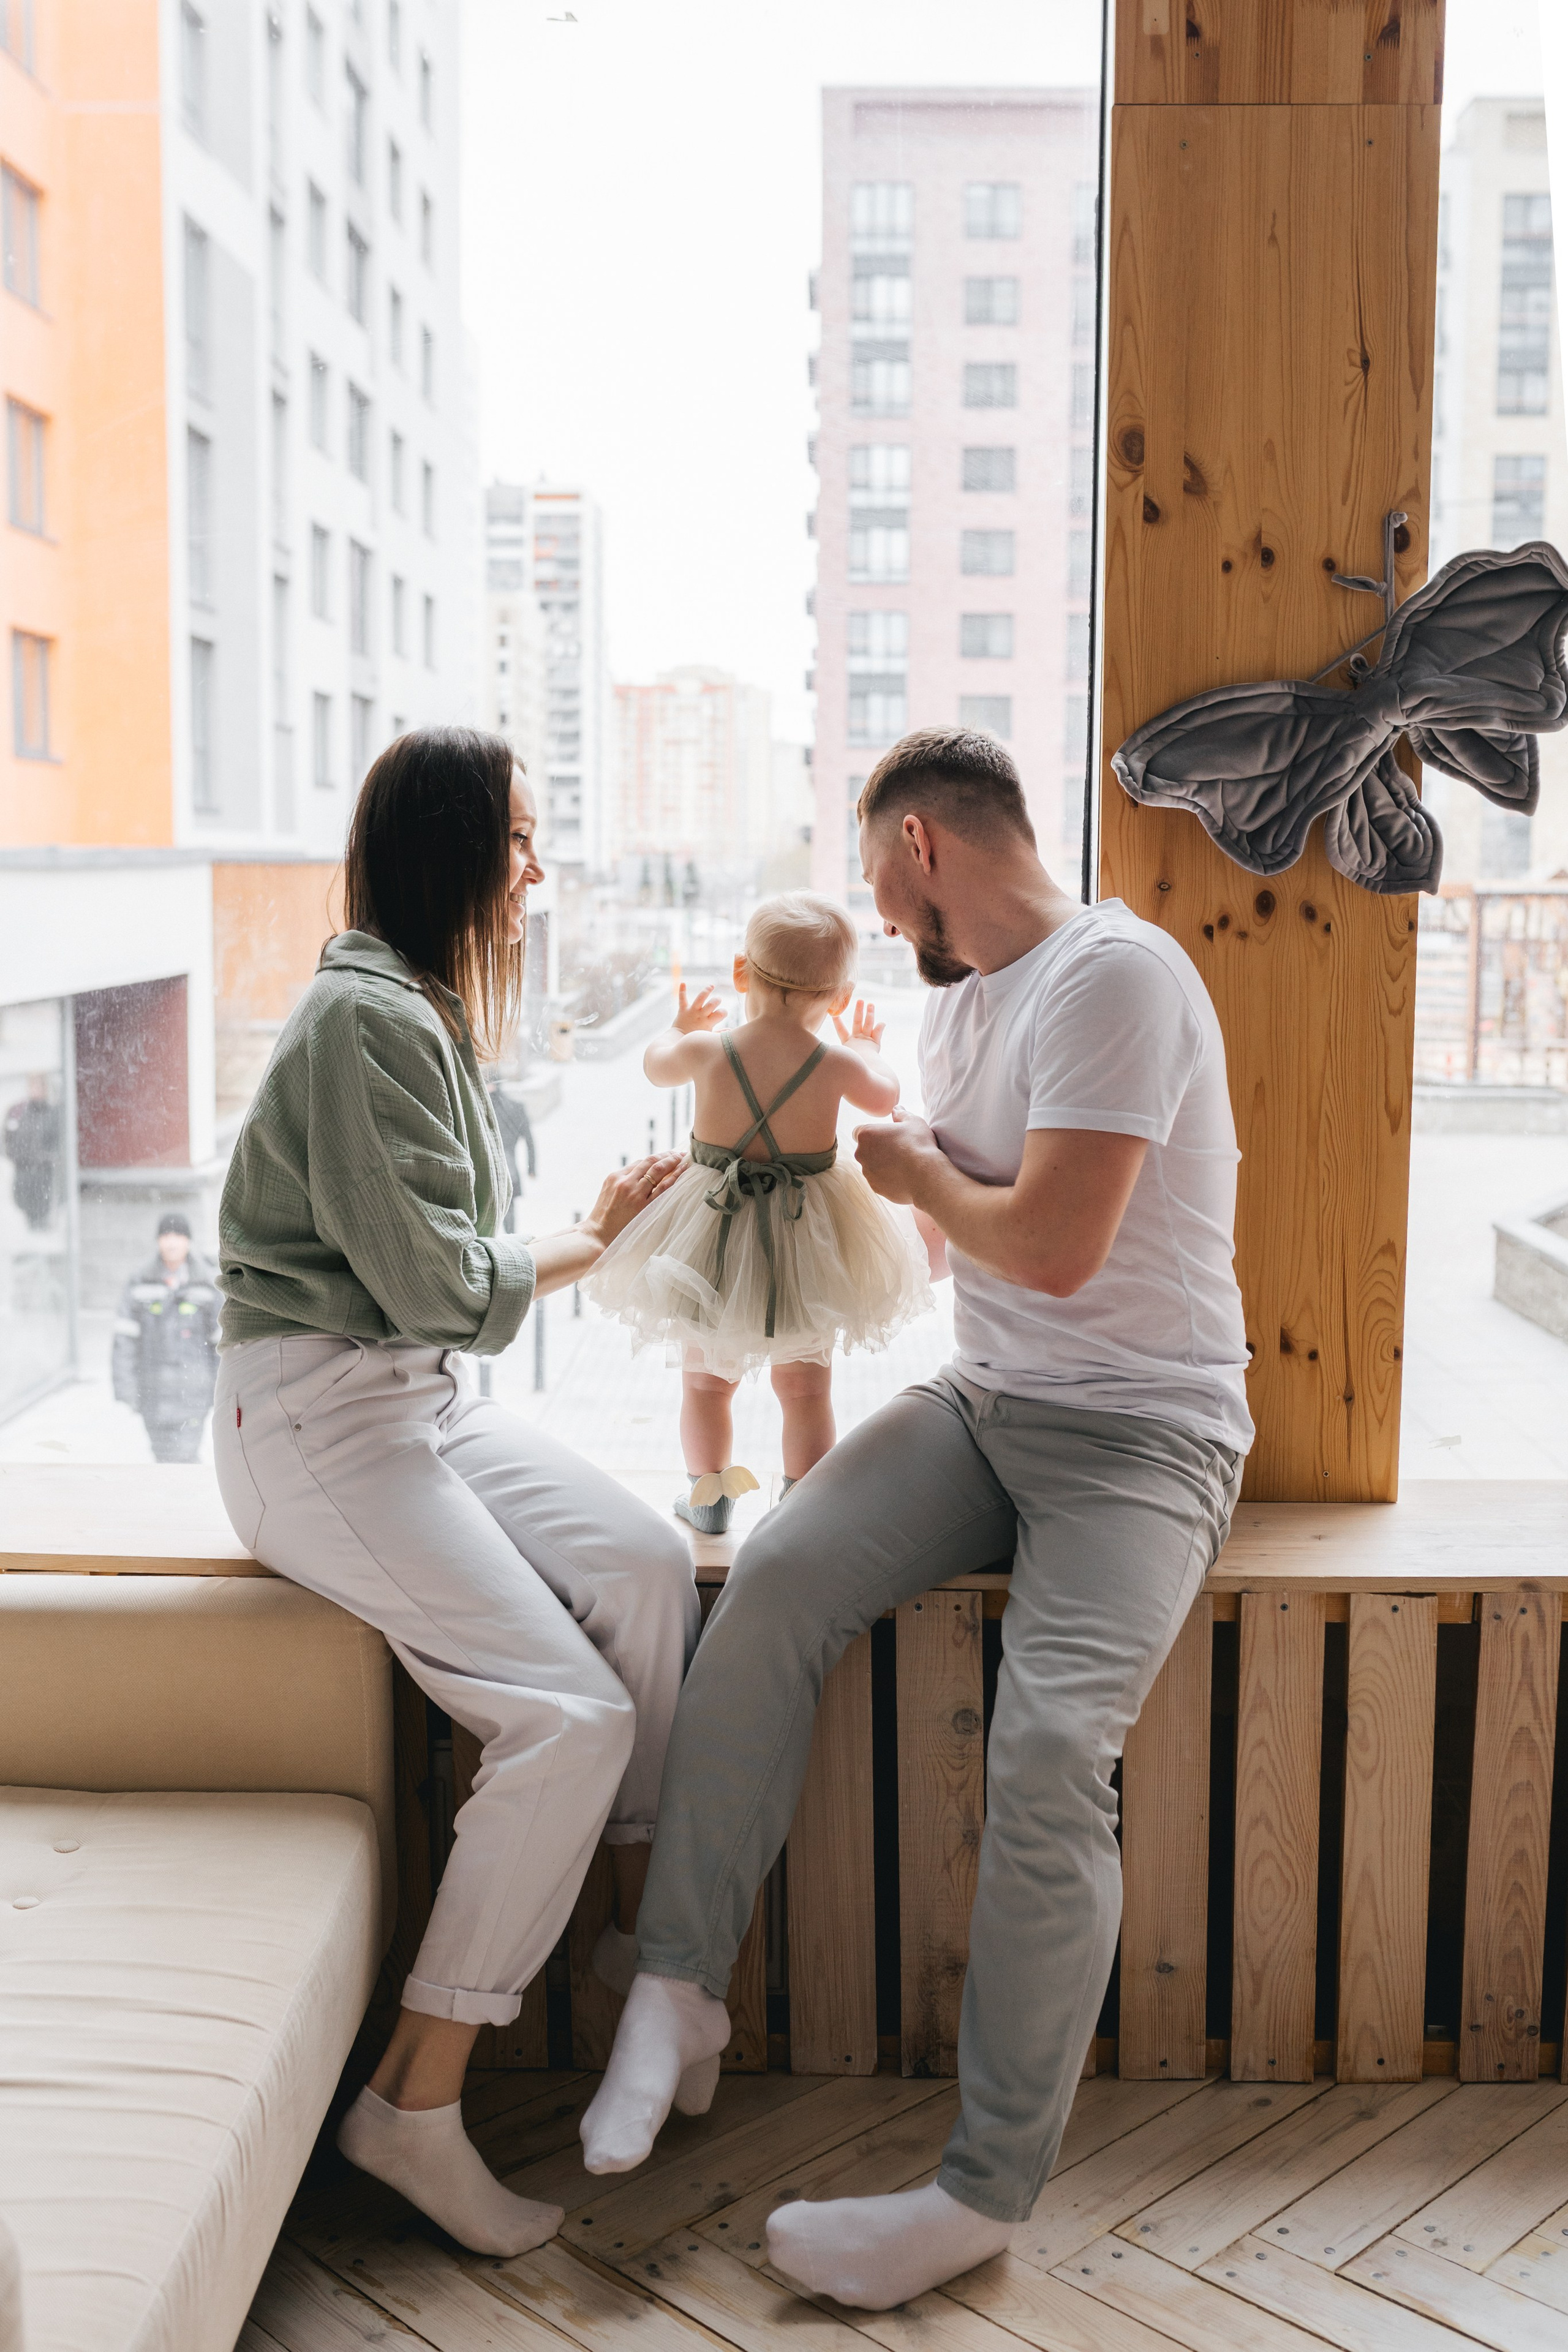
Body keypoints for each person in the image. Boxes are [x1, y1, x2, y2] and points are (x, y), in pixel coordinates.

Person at [578, 728, 1253, 2309]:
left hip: (1143, 1440)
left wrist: (915, 1180)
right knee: (771, 1578)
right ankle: (675, 1993)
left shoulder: (1116, 977)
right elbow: (970, 1241)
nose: (878, 917)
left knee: (1045, 1752)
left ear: (924, 845)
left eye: (882, 877)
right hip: (987, 1410)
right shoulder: (961, 1011)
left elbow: (1062, 1244)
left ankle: (980, 2190)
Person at [212, 728, 696, 2261]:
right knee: (569, 1715)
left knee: (640, 1559)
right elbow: (434, 1285)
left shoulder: (411, 1008)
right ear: (454, 854)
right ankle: (411, 2103)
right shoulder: (364, 1021)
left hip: (405, 1400)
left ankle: (632, 1948)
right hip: (318, 1419)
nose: (537, 869)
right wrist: (597, 1234)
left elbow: (429, 1308)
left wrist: (572, 1237)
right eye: (523, 838)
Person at [584, 892, 931, 1532]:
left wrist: (681, 1024)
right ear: (837, 993)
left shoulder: (708, 1051)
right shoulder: (836, 1063)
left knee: (706, 1383)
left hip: (709, 1235)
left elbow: (654, 1064)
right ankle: (802, 1507)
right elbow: (886, 1094)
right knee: (805, 1389)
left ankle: (710, 1499)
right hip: (806, 1238)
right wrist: (862, 1044)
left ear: (742, 974)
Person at [111, 1212, 222, 1461]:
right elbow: (125, 1341)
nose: (172, 1243)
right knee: (162, 1456)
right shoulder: (140, 1281)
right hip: (153, 1392)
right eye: (166, 1236)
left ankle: (184, 1495)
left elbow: (221, 1343)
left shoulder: (206, 1283)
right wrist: (126, 1388)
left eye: (179, 1236)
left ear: (189, 1241)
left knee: (185, 1455)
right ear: (158, 1241)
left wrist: (221, 1388)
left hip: (194, 1392)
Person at [4, 1075, 61, 1232]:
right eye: (33, 1086)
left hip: (44, 1174)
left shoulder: (52, 1113)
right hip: (24, 1173)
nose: (36, 1090)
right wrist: (22, 1158)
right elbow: (9, 1141)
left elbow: (58, 1142)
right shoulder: (18, 1112)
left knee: (42, 1212)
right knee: (25, 1209)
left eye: (39, 1086)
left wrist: (45, 1158)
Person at [486, 1072, 537, 1234]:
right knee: (508, 1207)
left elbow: (529, 1140)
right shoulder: (514, 1107)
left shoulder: (485, 1108)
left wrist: (532, 1167)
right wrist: (532, 1168)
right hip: (507, 1165)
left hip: (495, 1164)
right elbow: (529, 1140)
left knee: (495, 1206)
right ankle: (509, 1238)